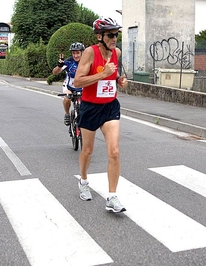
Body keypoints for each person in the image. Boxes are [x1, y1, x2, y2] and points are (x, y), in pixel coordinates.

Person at [73, 17, 128, 213]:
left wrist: (119, 81)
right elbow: (78, 82)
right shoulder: (90, 53)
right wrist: (102, 74)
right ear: (99, 36)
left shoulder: (117, 53)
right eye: (111, 35)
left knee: (114, 151)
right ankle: (84, 181)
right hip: (90, 107)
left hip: (110, 107)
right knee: (87, 150)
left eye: (116, 34)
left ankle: (112, 197)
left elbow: (113, 76)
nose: (115, 39)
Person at [52, 42, 85, 125]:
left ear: (82, 52)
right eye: (73, 53)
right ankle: (67, 114)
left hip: (83, 87)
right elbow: (55, 72)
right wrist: (59, 66)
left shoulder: (87, 62)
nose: (75, 55)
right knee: (67, 98)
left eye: (77, 53)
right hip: (69, 87)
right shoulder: (69, 61)